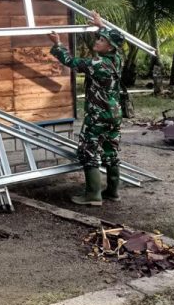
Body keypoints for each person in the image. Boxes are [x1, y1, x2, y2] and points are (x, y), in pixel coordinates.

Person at [48, 11, 125, 206]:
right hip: (114, 114)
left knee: (88, 151)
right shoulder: (117, 60)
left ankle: (93, 195)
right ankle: (113, 192)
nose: (97, 40)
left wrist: (57, 44)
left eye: (102, 39)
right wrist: (101, 25)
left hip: (98, 115)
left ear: (109, 47)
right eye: (99, 37)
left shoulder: (98, 64)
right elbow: (113, 38)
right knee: (110, 151)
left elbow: (71, 62)